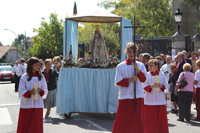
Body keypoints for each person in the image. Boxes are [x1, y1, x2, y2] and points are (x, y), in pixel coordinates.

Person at [112, 42, 147, 133]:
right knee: (124, 120)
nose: (132, 54)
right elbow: (118, 81)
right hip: (125, 96)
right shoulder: (120, 66)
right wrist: (130, 79)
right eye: (130, 52)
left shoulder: (140, 65)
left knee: (138, 120)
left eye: (133, 52)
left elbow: (144, 80)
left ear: (136, 53)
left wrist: (138, 70)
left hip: (138, 95)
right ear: (126, 52)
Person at [17, 57, 48, 133]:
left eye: (39, 65)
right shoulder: (24, 77)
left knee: (36, 126)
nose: (38, 66)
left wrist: (40, 90)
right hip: (27, 105)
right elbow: (21, 90)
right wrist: (30, 92)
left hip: (38, 104)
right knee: (26, 125)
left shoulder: (41, 77)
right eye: (36, 65)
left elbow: (45, 89)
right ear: (31, 65)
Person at [143, 59, 169, 133]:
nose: (149, 67)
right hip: (149, 100)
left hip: (159, 100)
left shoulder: (162, 75)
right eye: (149, 65)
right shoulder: (147, 75)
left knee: (159, 118)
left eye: (151, 65)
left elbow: (166, 85)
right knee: (149, 119)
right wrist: (151, 86)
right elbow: (144, 85)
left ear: (156, 66)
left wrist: (161, 86)